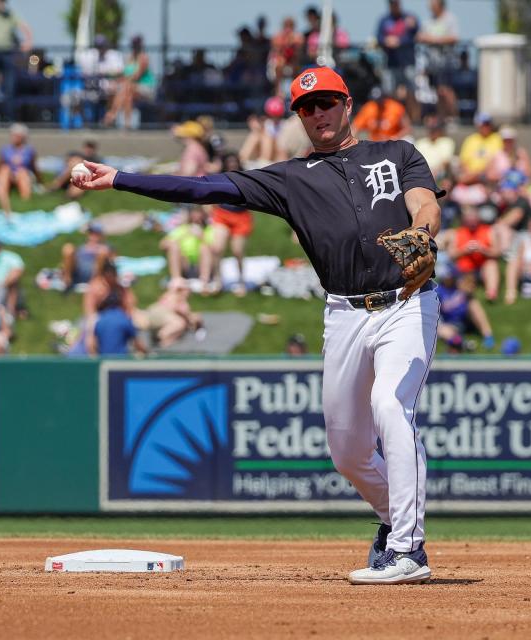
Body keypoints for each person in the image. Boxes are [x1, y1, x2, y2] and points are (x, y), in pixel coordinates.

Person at [72, 65, 444, 585]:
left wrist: (422, 234)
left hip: (407, 302)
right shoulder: (290, 178)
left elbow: (423, 201)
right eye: (307, 107)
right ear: (299, 117)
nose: (319, 114)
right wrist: (118, 177)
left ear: (348, 104)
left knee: (389, 403)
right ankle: (392, 520)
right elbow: (199, 187)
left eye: (327, 102)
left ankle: (409, 550)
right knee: (347, 451)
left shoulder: (396, 154)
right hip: (344, 313)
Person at [207, 153, 254, 296]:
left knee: (237, 252)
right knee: (217, 248)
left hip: (241, 216)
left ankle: (241, 281)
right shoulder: (219, 176)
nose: (232, 164)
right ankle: (217, 280)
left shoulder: (245, 176)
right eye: (229, 162)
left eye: (234, 161)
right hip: (222, 214)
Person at [434, 260, 494, 351]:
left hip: (463, 321)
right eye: (447, 276)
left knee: (473, 303)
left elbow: (471, 289)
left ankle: (488, 335)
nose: (449, 278)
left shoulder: (460, 285)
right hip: (447, 323)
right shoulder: (438, 290)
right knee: (442, 329)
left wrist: (464, 288)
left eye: (451, 276)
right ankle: (463, 344)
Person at [417, 0, 459, 121]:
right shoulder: (428, 21)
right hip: (432, 64)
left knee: (446, 91)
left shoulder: (450, 19)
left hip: (446, 62)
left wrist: (434, 40)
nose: (430, 7)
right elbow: (420, 36)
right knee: (437, 92)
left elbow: (454, 38)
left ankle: (453, 117)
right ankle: (442, 118)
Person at [102, 35, 155, 129]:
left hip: (146, 88)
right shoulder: (129, 58)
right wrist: (115, 82)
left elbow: (136, 77)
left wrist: (121, 83)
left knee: (126, 89)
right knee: (125, 95)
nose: (135, 47)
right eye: (133, 44)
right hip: (129, 89)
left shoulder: (144, 58)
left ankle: (112, 114)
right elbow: (124, 75)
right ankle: (127, 125)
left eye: (136, 44)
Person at [133, 278, 203, 348]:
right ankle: (162, 337)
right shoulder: (177, 297)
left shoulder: (168, 295)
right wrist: (191, 318)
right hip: (162, 314)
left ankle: (158, 338)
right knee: (179, 323)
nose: (189, 292)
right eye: (188, 290)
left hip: (154, 312)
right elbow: (181, 310)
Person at [450, 204, 500, 301]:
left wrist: (483, 250)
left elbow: (497, 252)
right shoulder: (457, 233)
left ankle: (492, 292)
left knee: (492, 264)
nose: (472, 222)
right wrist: (465, 250)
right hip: (465, 269)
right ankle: (465, 296)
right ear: (464, 220)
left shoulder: (488, 231)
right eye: (469, 220)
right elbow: (451, 255)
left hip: (482, 267)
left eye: (474, 219)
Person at [161, 205, 216, 290]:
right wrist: (183, 236)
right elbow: (163, 244)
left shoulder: (209, 230)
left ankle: (204, 281)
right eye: (194, 213)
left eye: (199, 213)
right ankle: (176, 279)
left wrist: (202, 237)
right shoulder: (183, 228)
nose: (196, 216)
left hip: (202, 265)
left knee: (204, 247)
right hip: (185, 264)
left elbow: (215, 250)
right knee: (174, 246)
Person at [0, 123, 43, 217]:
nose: (13, 137)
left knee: (22, 172)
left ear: (23, 137)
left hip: (24, 174)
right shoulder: (5, 149)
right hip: (9, 175)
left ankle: (25, 198)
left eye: (16, 135)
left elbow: (34, 167)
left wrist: (39, 181)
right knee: (5, 169)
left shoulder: (29, 150)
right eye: (12, 134)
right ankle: (1, 195)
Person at [376, 0, 419, 96]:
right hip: (391, 63)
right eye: (392, 3)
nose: (395, 5)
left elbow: (415, 36)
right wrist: (386, 41)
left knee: (411, 93)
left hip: (408, 62)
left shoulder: (409, 18)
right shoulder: (384, 20)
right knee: (390, 92)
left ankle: (413, 111)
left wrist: (399, 41)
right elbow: (379, 37)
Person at [61, 221, 112, 291]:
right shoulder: (82, 247)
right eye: (91, 233)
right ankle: (67, 281)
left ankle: (95, 283)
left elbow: (112, 260)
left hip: (93, 271)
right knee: (68, 248)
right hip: (78, 270)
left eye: (95, 233)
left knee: (102, 251)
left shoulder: (105, 247)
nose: (92, 235)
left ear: (101, 235)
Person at [458, 113, 502, 185]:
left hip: (489, 175)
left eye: (487, 124)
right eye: (483, 124)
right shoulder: (470, 140)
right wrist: (471, 174)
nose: (485, 127)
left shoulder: (497, 139)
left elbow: (501, 159)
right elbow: (463, 162)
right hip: (471, 175)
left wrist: (482, 172)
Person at [269, 17, 303, 94]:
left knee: (296, 65)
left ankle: (296, 90)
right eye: (286, 25)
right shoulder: (278, 36)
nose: (288, 28)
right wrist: (285, 41)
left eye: (290, 25)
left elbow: (299, 43)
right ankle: (278, 90)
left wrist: (290, 40)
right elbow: (276, 45)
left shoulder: (297, 36)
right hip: (281, 60)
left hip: (293, 61)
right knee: (279, 64)